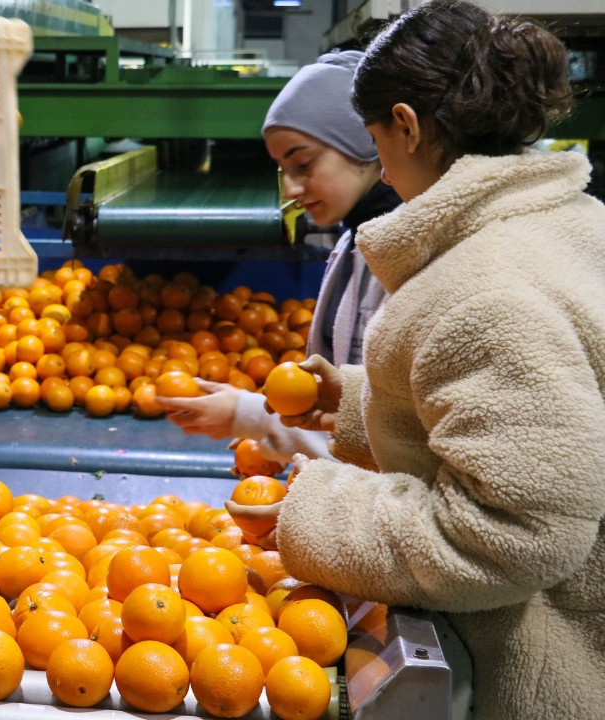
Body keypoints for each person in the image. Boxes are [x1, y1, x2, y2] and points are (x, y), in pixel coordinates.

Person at [238, 2, 603, 718]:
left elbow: (510, 535)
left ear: (403, 125)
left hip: (537, 669)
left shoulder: (484, 285)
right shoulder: (569, 224)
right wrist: (353, 399)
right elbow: (527, 410)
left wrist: (311, 511)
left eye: (374, 136)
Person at [157, 50, 400, 465]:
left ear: (365, 144)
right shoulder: (353, 245)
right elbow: (343, 414)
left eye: (303, 164)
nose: (290, 188)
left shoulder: (406, 265)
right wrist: (277, 430)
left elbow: (393, 438)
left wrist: (254, 419)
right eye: (281, 169)